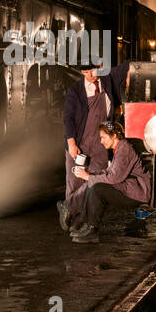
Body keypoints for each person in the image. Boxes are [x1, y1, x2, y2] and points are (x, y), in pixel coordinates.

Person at [57, 61, 129, 231]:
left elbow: (129, 65)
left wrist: (129, 77)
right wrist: (72, 143)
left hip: (101, 143)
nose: (89, 76)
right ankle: (74, 221)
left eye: (92, 70)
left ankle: (74, 214)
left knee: (94, 181)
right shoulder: (75, 91)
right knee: (75, 182)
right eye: (85, 72)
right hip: (79, 143)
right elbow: (68, 119)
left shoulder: (108, 79)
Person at [67, 121, 150, 244]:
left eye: (103, 137)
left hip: (137, 193)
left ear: (114, 135)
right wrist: (90, 175)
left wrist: (89, 177)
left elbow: (113, 178)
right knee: (92, 184)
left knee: (96, 189)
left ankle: (92, 229)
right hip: (127, 188)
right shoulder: (119, 148)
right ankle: (86, 224)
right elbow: (109, 172)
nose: (101, 141)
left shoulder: (124, 149)